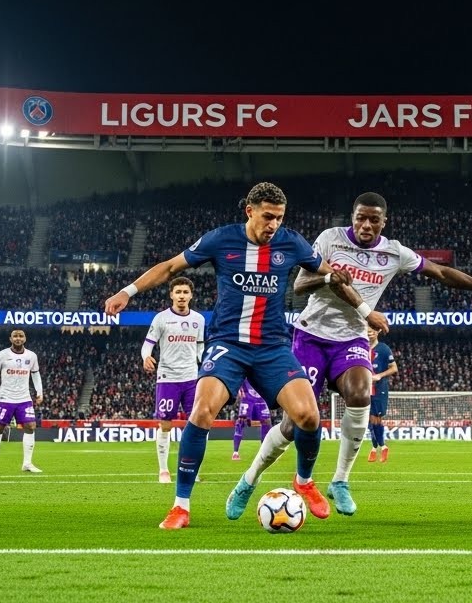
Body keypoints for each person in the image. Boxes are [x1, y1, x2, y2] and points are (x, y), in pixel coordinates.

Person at [232, 191, 472, 517]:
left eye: (374, 219)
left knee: (361, 394)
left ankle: (340, 481)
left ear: (384, 222)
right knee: (293, 424)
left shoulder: (394, 252)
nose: (366, 225)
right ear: (353, 217)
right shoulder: (330, 240)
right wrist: (330, 277)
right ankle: (249, 479)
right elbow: (300, 285)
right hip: (311, 336)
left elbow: (441, 273)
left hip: (353, 338)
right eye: (361, 217)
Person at [104, 181, 367, 530]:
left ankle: (303, 481)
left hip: (272, 347)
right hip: (228, 344)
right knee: (202, 411)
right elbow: (170, 268)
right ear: (250, 211)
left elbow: (320, 265)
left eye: (279, 218)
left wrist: (334, 273)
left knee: (308, 415)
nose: (273, 224)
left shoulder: (291, 242)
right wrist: (128, 290)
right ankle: (181, 506)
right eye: (268, 216)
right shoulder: (220, 239)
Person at [141, 276, 207, 483]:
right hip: (167, 377)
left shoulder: (199, 319)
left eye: (185, 292)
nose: (181, 296)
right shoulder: (161, 318)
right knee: (165, 424)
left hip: (191, 378)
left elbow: (200, 346)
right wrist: (146, 357)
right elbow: (147, 344)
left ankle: (191, 470)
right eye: (178, 292)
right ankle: (163, 471)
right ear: (171, 295)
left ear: (191, 295)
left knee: (197, 424)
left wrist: (203, 362)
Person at [0, 329, 44, 474]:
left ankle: (27, 463)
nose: (18, 338)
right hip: (6, 399)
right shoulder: (2, 355)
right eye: (15, 336)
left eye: (21, 336)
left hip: (24, 398)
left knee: (30, 426)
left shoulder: (32, 356)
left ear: (25, 338)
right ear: (10, 338)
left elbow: (36, 375)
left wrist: (39, 392)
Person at [367, 326, 397, 463]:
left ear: (378, 331)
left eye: (372, 330)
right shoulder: (361, 348)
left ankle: (380, 447)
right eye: (367, 330)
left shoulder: (383, 349)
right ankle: (376, 447)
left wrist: (379, 376)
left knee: (375, 418)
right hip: (364, 388)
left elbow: (394, 368)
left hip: (379, 388)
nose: (369, 332)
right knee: (369, 420)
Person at [231, 379, 271, 461]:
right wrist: (238, 388)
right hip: (247, 397)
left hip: (261, 398)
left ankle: (264, 452)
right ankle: (235, 452)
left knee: (267, 422)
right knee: (240, 421)